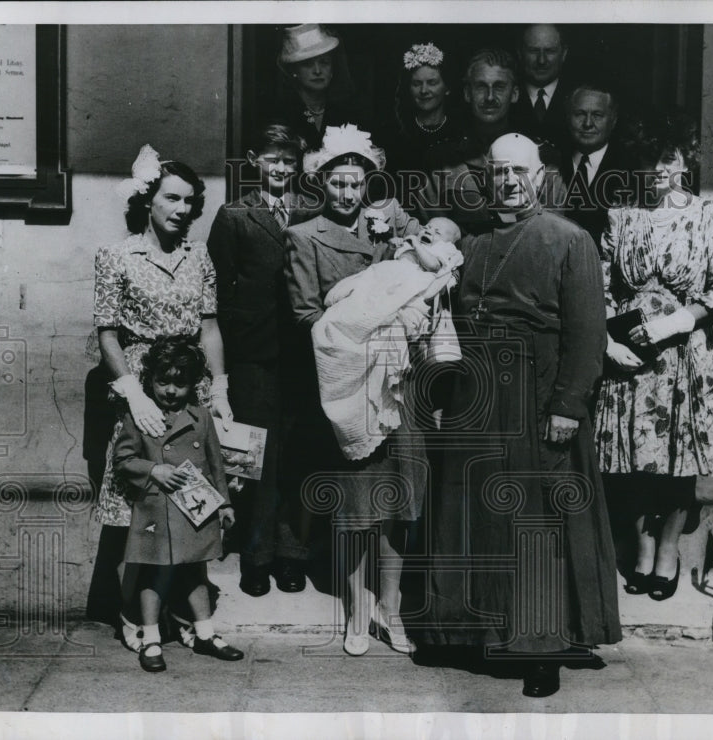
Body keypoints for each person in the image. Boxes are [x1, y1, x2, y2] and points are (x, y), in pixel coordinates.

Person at [411, 133, 621, 699]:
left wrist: (568, 407)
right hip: (473, 396)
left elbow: (587, 335)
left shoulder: (569, 239)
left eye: (518, 171)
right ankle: (464, 631)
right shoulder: (471, 238)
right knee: (470, 516)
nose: (508, 180)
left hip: (536, 397)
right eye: (498, 171)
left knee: (535, 525)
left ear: (540, 175)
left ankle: (541, 649)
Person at [283, 124, 426, 656]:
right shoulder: (303, 235)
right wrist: (363, 324)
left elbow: (436, 242)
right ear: (322, 183)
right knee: (354, 504)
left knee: (398, 500)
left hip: (396, 382)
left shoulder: (386, 227)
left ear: (369, 182)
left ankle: (391, 608)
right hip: (348, 384)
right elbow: (304, 314)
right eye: (337, 183)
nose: (347, 194)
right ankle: (356, 609)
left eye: (356, 183)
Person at [91, 145, 234, 651]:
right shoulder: (117, 255)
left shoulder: (199, 255)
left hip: (188, 383)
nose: (181, 209)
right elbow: (107, 332)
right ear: (147, 198)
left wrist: (218, 388)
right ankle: (134, 612)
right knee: (141, 500)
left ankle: (180, 605)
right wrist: (133, 393)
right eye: (171, 198)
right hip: (142, 385)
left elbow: (209, 326)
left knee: (191, 493)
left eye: (190, 202)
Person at [594, 109, 713, 602]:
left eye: (668, 158)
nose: (658, 169)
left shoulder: (709, 215)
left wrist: (675, 322)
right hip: (631, 355)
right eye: (649, 159)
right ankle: (641, 547)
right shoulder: (622, 216)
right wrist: (609, 341)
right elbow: (603, 284)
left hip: (682, 355)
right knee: (630, 458)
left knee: (679, 461)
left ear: (684, 160)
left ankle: (669, 551)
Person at [206, 124, 321, 597]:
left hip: (305, 354)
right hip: (254, 355)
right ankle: (255, 556)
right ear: (255, 161)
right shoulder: (234, 214)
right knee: (256, 459)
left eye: (289, 161)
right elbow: (219, 291)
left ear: (299, 165)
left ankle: (292, 554)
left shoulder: (313, 210)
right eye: (272, 159)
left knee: (298, 455)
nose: (280, 169)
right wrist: (225, 365)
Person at [114, 336, 243, 672]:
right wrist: (153, 469)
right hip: (156, 509)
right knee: (154, 574)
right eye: (162, 381)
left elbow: (217, 466)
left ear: (193, 384)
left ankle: (204, 633)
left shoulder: (201, 418)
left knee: (197, 572)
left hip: (196, 509)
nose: (170, 391)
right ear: (150, 380)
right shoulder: (140, 417)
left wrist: (225, 505)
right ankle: (152, 638)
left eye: (179, 383)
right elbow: (123, 459)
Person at [420, 49, 565, 233]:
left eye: (499, 87)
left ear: (514, 94)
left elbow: (555, 233)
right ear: (467, 93)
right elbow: (433, 236)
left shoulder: (543, 156)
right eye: (481, 86)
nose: (489, 97)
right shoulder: (441, 161)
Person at [269, 24, 367, 150]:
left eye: (324, 62)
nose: (317, 71)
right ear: (294, 71)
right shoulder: (280, 110)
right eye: (307, 64)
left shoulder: (347, 110)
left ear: (332, 69)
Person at [560, 80, 628, 248]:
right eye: (580, 114)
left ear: (613, 120)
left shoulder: (629, 169)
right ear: (568, 117)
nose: (588, 123)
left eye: (597, 115)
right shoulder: (552, 163)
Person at [384, 42, 464, 182]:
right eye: (416, 84)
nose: (424, 91)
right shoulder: (397, 135)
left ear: (447, 88)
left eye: (432, 83)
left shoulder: (460, 132)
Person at [511, 24, 572, 151]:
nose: (542, 60)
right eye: (533, 51)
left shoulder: (577, 95)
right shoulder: (506, 94)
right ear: (520, 52)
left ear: (564, 53)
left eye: (550, 51)